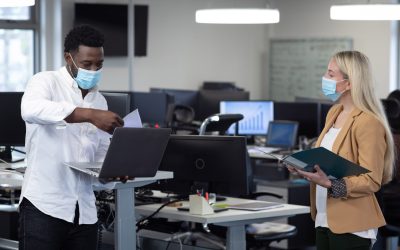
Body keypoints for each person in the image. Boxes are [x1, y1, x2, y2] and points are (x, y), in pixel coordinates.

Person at [19, 25, 124, 250]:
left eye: (99, 65)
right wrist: (88, 115)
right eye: (87, 64)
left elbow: (98, 158)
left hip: (84, 212)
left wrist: (109, 173)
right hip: (44, 208)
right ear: (69, 58)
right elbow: (30, 109)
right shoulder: (45, 81)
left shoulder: (100, 101)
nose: (94, 70)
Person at [288, 50, 395, 250]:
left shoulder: (368, 122)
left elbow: (371, 180)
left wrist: (331, 184)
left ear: (349, 83)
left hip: (352, 224)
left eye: (330, 74)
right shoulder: (334, 112)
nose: (324, 78)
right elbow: (328, 160)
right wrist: (303, 166)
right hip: (323, 216)